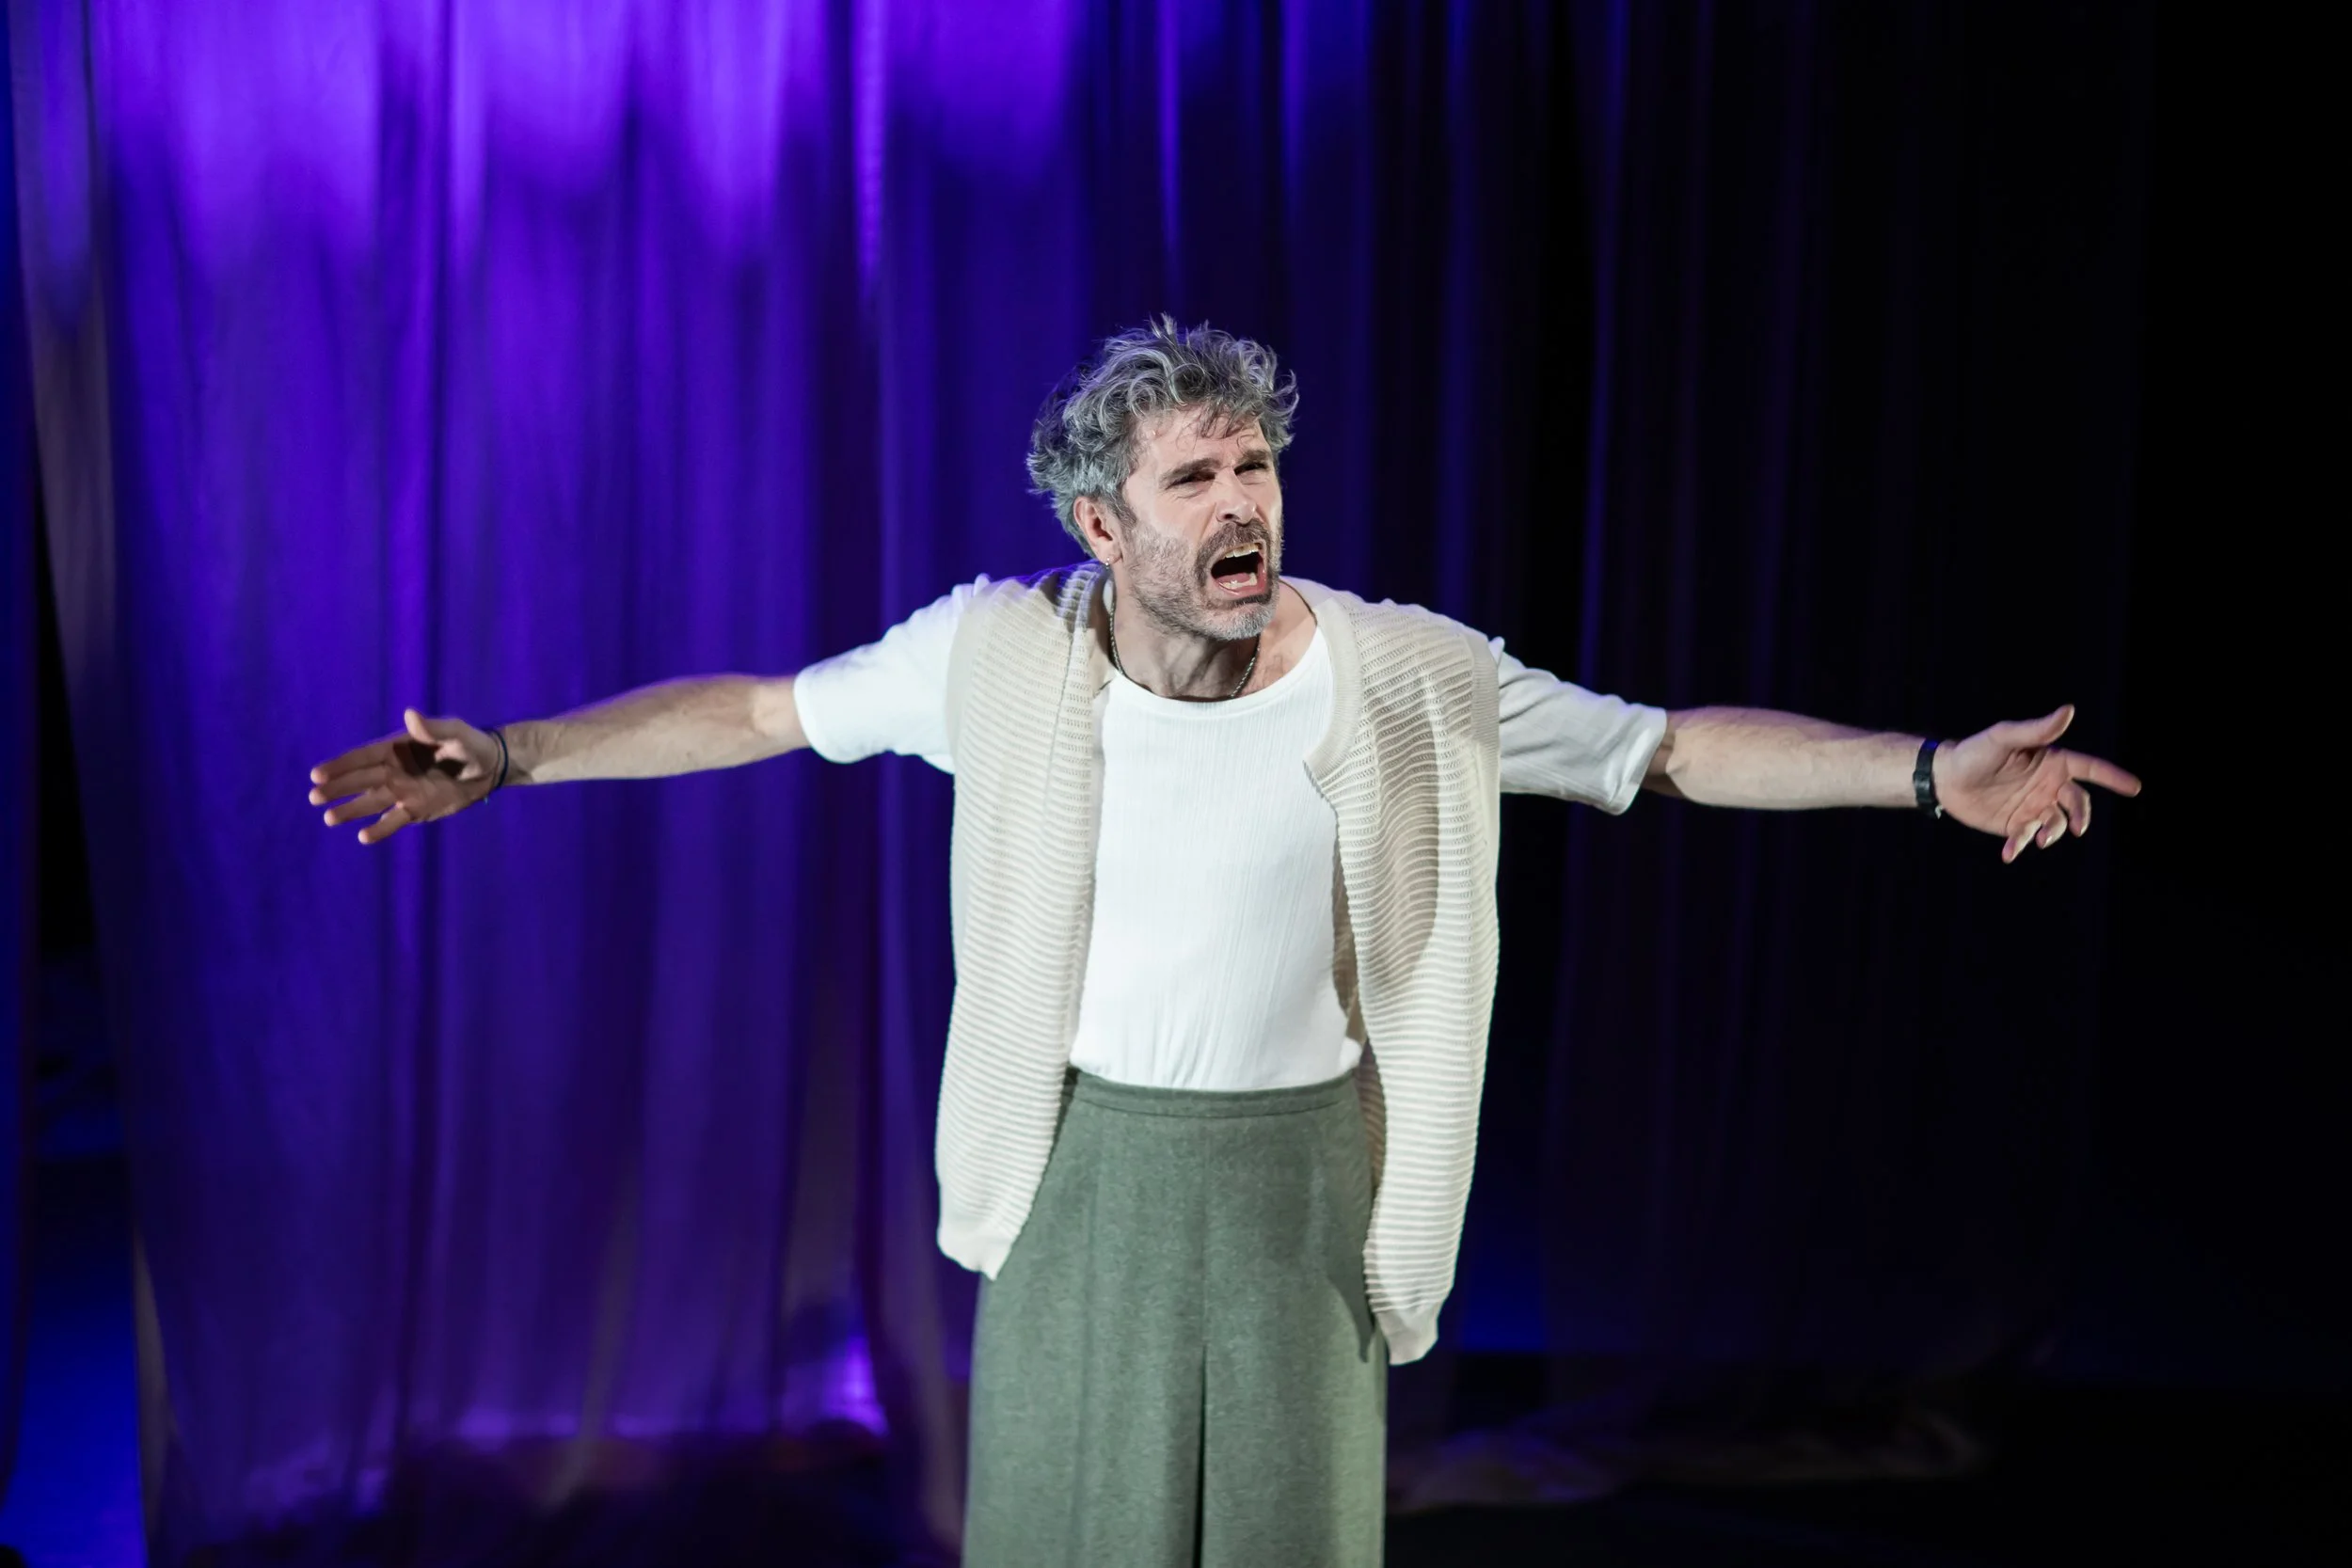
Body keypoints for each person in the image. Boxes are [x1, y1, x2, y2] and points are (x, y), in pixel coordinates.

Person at [306, 317, 2141, 1566]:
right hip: (1078, 1175)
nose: (1243, 501)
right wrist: (517, 751)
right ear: (1101, 524)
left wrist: (1925, 772)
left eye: (1254, 465)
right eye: (1193, 479)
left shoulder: (1406, 675)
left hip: (1302, 1184)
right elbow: (760, 711)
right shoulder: (996, 655)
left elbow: (1660, 749)